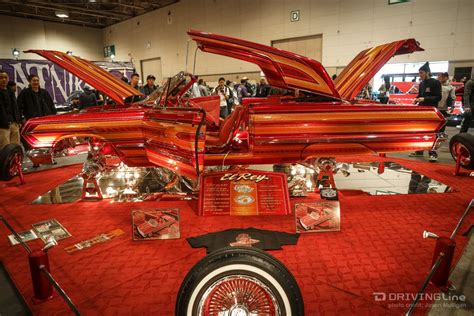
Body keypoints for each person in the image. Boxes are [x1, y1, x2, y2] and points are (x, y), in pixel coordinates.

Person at [409, 62, 442, 161]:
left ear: (427, 72)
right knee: (420, 131)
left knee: (432, 132)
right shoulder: (422, 83)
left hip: (431, 111)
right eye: (419, 73)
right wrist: (416, 99)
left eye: (422, 73)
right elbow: (420, 95)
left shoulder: (435, 83)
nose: (420, 75)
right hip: (421, 110)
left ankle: (433, 153)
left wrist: (424, 99)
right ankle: (419, 150)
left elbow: (438, 97)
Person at [0, 71, 22, 150]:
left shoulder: (11, 92)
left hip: (14, 124)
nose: (3, 79)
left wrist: (18, 121)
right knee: (5, 148)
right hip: (2, 126)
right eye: (1, 78)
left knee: (16, 146)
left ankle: (15, 162)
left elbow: (15, 107)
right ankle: (5, 162)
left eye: (5, 77)